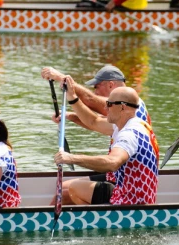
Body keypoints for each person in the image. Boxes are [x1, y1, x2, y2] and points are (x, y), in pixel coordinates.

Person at [41, 65, 151, 204]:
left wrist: (62, 79)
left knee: (72, 190)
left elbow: (90, 100)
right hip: (120, 177)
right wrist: (71, 117)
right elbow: (95, 122)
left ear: (111, 85)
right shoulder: (127, 115)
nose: (105, 107)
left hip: (129, 191)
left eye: (97, 87)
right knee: (63, 190)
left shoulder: (133, 117)